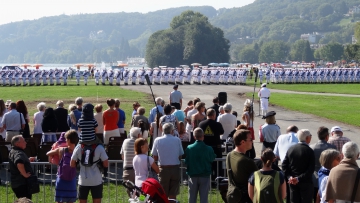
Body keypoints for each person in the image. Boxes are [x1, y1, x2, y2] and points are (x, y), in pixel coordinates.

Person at [70, 137, 108, 203]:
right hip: (96, 180)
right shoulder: (99, 147)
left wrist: (79, 163)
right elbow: (106, 164)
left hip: (83, 180)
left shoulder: (78, 147)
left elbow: (72, 164)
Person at [151, 123, 184, 200]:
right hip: (175, 168)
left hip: (163, 169)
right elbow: (180, 155)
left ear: (162, 130)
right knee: (173, 193)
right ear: (172, 131)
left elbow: (154, 156)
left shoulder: (157, 140)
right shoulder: (177, 140)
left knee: (163, 193)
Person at [282, 129, 315, 203]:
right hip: (306, 182)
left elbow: (284, 165)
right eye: (310, 136)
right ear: (307, 138)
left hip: (292, 182)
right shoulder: (309, 151)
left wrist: (289, 177)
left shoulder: (291, 149)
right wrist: (298, 178)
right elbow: (311, 169)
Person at [46, 130, 79, 203]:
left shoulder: (61, 150)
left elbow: (48, 153)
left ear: (69, 140)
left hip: (61, 177)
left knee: (59, 200)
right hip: (71, 178)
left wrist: (53, 147)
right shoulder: (78, 150)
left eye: (66, 139)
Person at [226, 129, 258, 203]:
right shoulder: (247, 161)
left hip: (233, 195)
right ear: (243, 142)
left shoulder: (229, 155)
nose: (252, 141)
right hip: (246, 198)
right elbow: (259, 180)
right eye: (250, 139)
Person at [185, 127, 216, 203]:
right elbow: (212, 158)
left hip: (193, 175)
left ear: (194, 136)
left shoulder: (189, 148)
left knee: (192, 198)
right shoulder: (209, 149)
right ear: (203, 136)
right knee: (204, 198)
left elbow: (186, 160)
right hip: (204, 175)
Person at [310, 126, 336, 201]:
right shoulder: (332, 147)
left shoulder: (312, 147)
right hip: (328, 176)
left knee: (316, 197)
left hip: (315, 176)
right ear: (327, 136)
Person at [199, 109, 224, 177]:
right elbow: (222, 132)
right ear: (214, 115)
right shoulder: (217, 124)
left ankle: (207, 178)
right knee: (217, 165)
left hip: (205, 147)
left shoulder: (201, 124)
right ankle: (217, 179)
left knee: (206, 164)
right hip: (216, 147)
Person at [120, 127, 143, 196]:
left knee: (131, 194)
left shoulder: (125, 141)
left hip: (127, 171)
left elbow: (122, 156)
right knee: (140, 193)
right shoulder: (140, 143)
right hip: (138, 171)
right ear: (138, 135)